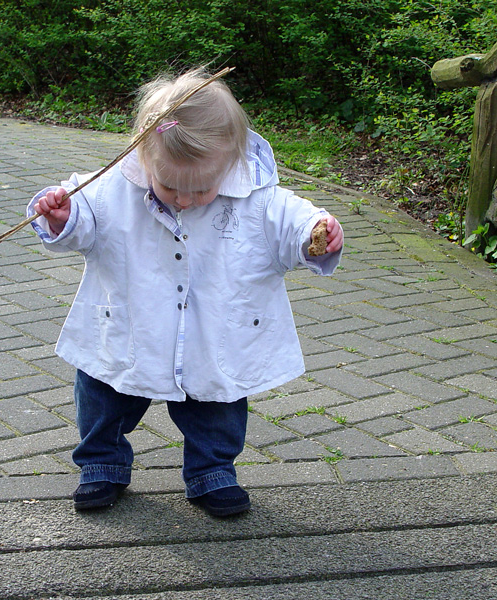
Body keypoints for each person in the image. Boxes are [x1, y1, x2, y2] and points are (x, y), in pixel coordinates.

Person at [28, 67, 343, 517]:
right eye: (170, 185)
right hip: (129, 324)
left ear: (231, 162)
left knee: (218, 406)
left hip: (213, 332)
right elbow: (83, 217)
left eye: (202, 190)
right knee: (102, 397)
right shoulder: (112, 185)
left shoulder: (260, 197)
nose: (184, 199)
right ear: (144, 152)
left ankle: (213, 471)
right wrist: (62, 217)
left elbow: (295, 222)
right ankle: (101, 464)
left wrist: (318, 233)